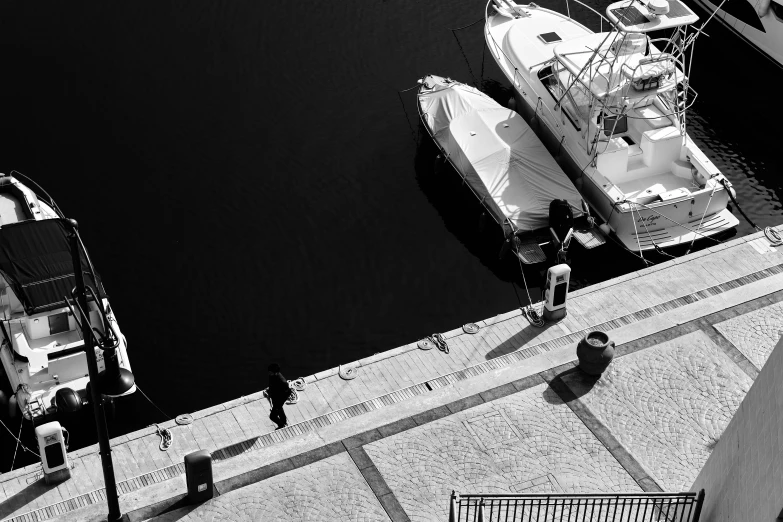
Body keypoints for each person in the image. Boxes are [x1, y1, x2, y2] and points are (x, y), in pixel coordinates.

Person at [267, 363, 289, 429]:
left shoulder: (283, 382)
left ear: (275, 373)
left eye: (270, 372)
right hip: (275, 397)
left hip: (279, 399)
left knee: (273, 416)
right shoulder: (272, 376)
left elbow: (286, 393)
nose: (269, 373)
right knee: (280, 410)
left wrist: (278, 403)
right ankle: (284, 422)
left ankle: (281, 425)